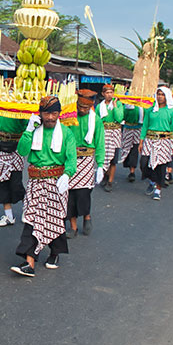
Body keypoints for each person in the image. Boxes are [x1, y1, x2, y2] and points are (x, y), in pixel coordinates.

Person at [11, 96, 76, 276]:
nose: (50, 117)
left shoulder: (66, 133)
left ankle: (55, 253)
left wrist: (67, 174)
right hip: (35, 181)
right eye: (46, 113)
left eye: (54, 113)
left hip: (57, 181)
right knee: (31, 218)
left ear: (59, 114)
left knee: (54, 218)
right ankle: (29, 262)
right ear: (40, 113)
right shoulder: (34, 130)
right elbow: (22, 151)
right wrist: (29, 130)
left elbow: (71, 158)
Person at [66, 90, 105, 237]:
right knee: (69, 194)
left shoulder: (97, 121)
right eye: (80, 107)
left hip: (87, 160)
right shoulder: (69, 118)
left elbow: (100, 143)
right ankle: (73, 226)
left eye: (86, 108)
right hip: (70, 159)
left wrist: (100, 164)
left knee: (83, 193)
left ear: (91, 106)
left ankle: (87, 216)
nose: (82, 110)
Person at [139, 87, 173, 200]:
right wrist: (141, 141)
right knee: (144, 162)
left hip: (164, 141)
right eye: (158, 94)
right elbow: (145, 126)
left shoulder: (171, 112)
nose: (160, 97)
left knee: (161, 166)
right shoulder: (150, 110)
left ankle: (158, 189)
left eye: (162, 94)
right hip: (149, 139)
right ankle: (152, 180)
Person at [0, 113, 28, 228]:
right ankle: (9, 216)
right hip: (2, 147)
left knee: (16, 182)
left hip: (17, 147)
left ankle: (27, 211)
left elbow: (27, 128)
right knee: (2, 182)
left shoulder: (19, 111)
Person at [96, 84, 124, 192]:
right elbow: (97, 121)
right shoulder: (99, 107)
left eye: (111, 92)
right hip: (104, 133)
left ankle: (110, 181)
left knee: (113, 159)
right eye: (107, 93)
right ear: (103, 94)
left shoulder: (119, 104)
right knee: (103, 157)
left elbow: (119, 118)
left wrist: (115, 105)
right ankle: (105, 175)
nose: (109, 95)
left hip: (115, 133)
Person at [120, 102, 143, 182]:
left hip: (138, 129)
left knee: (135, 150)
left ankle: (132, 171)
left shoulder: (143, 105)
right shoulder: (126, 105)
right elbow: (121, 117)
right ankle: (129, 165)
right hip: (127, 129)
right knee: (126, 148)